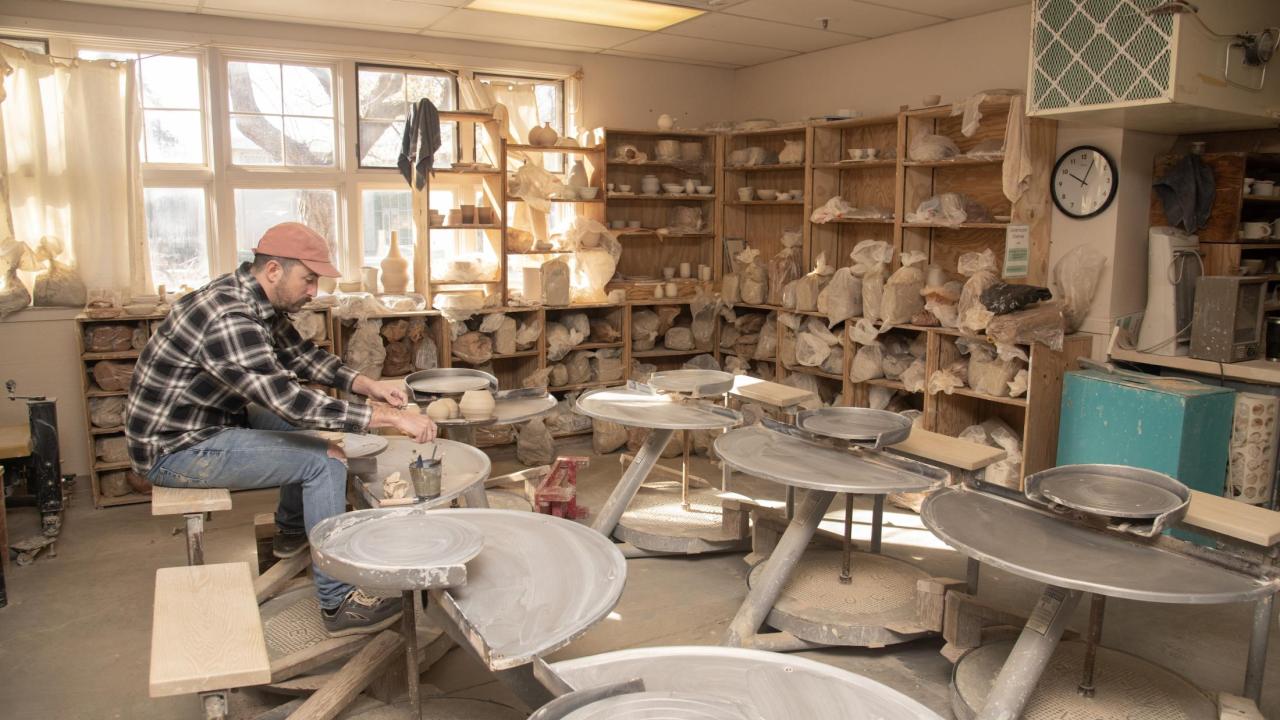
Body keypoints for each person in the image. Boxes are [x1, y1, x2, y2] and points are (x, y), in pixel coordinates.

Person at [126, 222, 436, 637]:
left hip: (212, 418)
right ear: (274, 270)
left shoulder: (252, 296)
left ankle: (291, 532)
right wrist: (393, 418)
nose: (313, 292)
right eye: (308, 280)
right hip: (176, 447)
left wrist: (366, 385)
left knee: (309, 434)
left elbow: (301, 355)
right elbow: (290, 399)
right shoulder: (229, 316)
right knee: (324, 461)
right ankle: (338, 602)